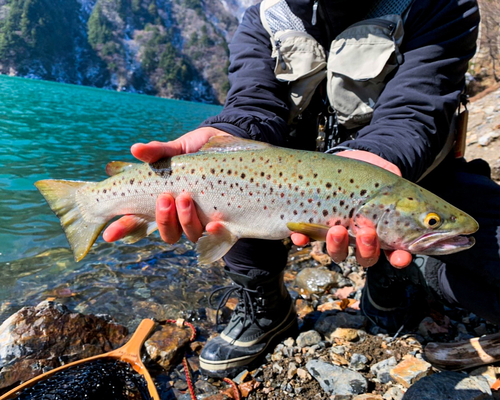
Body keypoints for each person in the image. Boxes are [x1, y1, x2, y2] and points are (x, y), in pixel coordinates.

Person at [103, 0, 500, 379]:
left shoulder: (442, 3)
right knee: (239, 191)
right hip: (282, 179)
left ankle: (402, 270)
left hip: (412, 171)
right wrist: (226, 136)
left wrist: (379, 158)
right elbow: (253, 106)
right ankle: (266, 306)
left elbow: (416, 109)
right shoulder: (264, 15)